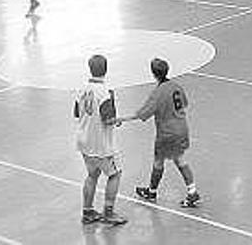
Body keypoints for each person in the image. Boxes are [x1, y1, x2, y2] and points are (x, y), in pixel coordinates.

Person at [117, 58, 201, 208]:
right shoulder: (176, 86)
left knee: (158, 162)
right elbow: (184, 104)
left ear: (153, 74)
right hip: (182, 129)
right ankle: (192, 191)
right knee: (180, 160)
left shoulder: (158, 93)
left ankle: (152, 192)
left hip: (167, 134)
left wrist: (121, 119)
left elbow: (142, 114)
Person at [74, 55, 127, 226]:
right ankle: (108, 212)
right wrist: (118, 120)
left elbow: (76, 113)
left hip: (84, 141)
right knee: (115, 174)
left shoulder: (81, 89)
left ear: (90, 69)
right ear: (106, 69)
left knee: (92, 174)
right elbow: (108, 119)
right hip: (102, 145)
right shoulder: (106, 92)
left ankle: (87, 211)